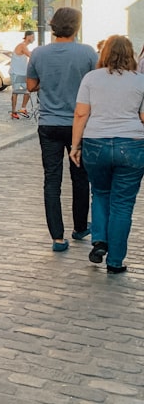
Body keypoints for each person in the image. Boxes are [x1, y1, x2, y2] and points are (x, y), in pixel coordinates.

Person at [70, 35, 144, 274]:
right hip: (131, 144)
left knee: (100, 193)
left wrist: (75, 146)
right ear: (130, 54)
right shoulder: (140, 81)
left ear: (105, 54)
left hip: (95, 142)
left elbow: (81, 114)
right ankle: (115, 262)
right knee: (123, 204)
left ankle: (100, 240)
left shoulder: (91, 78)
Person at [26, 8, 97, 251]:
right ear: (76, 27)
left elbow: (31, 85)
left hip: (48, 123)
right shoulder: (87, 53)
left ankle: (57, 236)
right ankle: (79, 227)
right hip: (80, 124)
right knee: (80, 177)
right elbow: (96, 83)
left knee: (52, 180)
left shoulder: (38, 53)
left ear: (53, 25)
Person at [10, 31, 34, 119]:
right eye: (32, 37)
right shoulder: (22, 46)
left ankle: (23, 108)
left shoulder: (25, 46)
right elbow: (30, 54)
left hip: (23, 73)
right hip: (16, 73)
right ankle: (13, 111)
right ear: (28, 37)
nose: (33, 39)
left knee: (28, 89)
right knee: (15, 92)